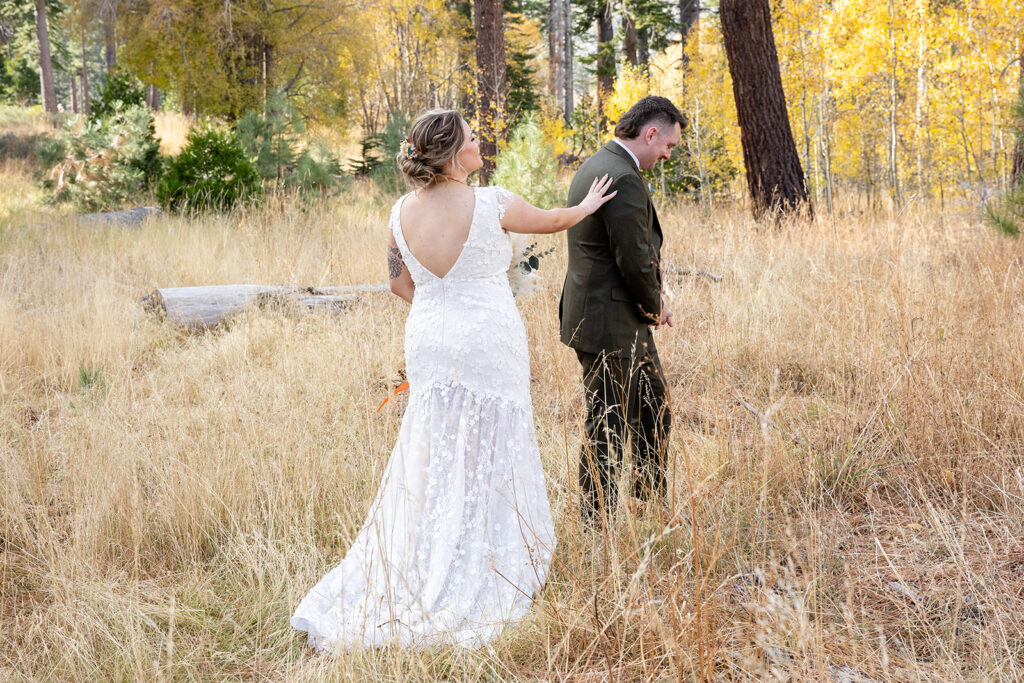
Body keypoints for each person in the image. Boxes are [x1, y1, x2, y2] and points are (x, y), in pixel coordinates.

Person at [291, 109, 616, 652]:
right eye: (470, 138)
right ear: (450, 154)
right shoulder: (492, 202)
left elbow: (398, 284)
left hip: (429, 341)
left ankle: (422, 553)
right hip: (488, 340)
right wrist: (586, 206)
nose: (478, 142)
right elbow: (555, 221)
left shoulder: (399, 212)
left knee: (432, 444)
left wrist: (443, 309)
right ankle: (484, 560)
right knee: (492, 442)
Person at [558, 95, 686, 525]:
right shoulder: (623, 177)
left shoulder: (598, 162)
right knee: (607, 423)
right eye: (668, 145)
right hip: (610, 321)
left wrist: (652, 305)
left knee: (653, 405)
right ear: (650, 134)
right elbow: (633, 257)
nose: (668, 154)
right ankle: (595, 522)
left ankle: (646, 504)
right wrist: (655, 307)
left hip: (606, 315)